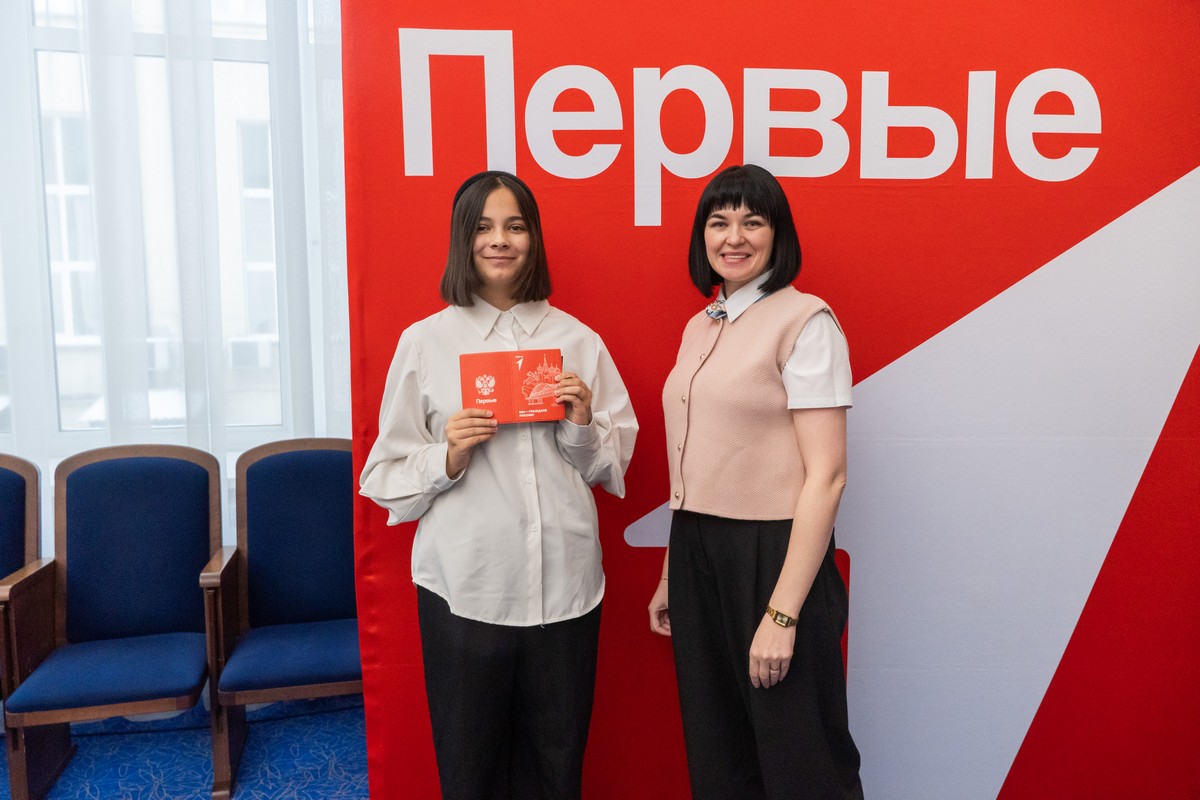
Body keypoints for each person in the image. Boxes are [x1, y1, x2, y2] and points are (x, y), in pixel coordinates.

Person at [361, 170, 637, 800]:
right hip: (467, 589)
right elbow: (384, 477)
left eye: (515, 226)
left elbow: (612, 466)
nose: (500, 240)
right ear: (463, 239)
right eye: (483, 227)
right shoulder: (425, 343)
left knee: (557, 771)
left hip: (566, 589)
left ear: (533, 238)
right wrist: (448, 456)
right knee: (471, 774)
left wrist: (581, 425)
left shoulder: (578, 341)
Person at [647, 164, 863, 799]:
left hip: (775, 555)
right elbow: (696, 461)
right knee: (719, 752)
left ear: (778, 234)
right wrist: (672, 572)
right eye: (719, 222)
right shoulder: (701, 325)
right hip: (697, 551)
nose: (733, 237)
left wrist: (782, 612)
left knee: (801, 758)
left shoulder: (806, 321)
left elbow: (827, 476)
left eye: (752, 221)